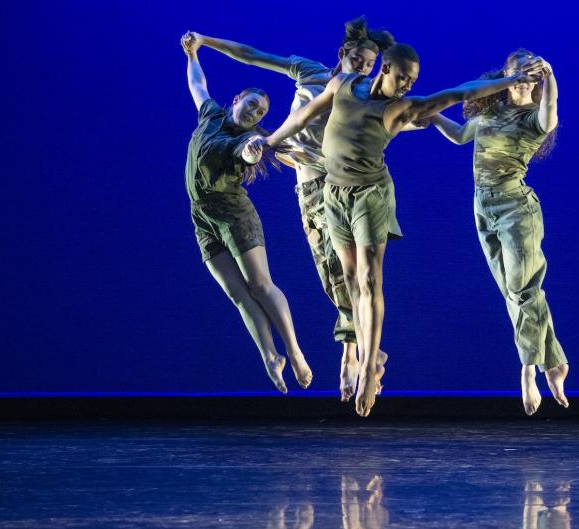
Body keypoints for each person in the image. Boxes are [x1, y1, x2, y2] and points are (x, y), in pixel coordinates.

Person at [251, 43, 541, 416]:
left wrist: (515, 79)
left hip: (370, 198)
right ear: (384, 68)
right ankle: (361, 354)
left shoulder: (402, 107)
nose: (407, 84)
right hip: (334, 194)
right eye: (403, 76)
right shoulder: (344, 85)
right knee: (350, 281)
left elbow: (458, 94)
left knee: (371, 281)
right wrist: (271, 142)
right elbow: (305, 114)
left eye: (413, 80)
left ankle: (370, 369)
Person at [183, 18, 395, 401]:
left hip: (341, 186)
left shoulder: (366, 94)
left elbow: (400, 118)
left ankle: (356, 352)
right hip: (307, 187)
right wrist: (205, 42)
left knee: (348, 270)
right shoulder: (309, 72)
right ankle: (357, 346)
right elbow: (251, 56)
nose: (363, 69)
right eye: (358, 61)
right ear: (342, 55)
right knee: (328, 274)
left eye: (369, 65)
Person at [429, 49, 568, 415]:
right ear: (505, 74)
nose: (524, 76)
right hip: (481, 207)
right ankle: (554, 361)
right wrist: (432, 116)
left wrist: (550, 75)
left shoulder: (532, 119)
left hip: (515, 210)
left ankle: (528, 370)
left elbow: (551, 113)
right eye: (516, 70)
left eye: (530, 72)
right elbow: (461, 135)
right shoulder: (491, 112)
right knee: (515, 291)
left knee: (523, 289)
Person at [181, 33, 312, 393]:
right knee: (237, 294)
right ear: (236, 100)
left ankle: (295, 351)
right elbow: (198, 85)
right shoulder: (210, 115)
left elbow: (250, 152)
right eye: (251, 106)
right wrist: (194, 54)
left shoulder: (246, 139)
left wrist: (258, 147)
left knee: (259, 285)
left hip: (235, 215)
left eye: (260, 113)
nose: (254, 114)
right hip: (203, 219)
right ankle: (271, 356)